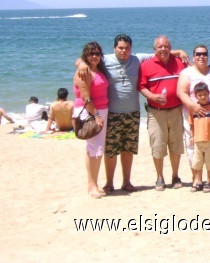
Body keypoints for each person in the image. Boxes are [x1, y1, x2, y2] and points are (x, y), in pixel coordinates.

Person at [77, 34, 188, 194]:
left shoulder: (137, 59)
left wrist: (179, 51)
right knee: (111, 150)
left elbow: (161, 52)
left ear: (131, 49)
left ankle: (127, 182)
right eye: (120, 48)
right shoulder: (105, 60)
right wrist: (81, 64)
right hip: (113, 113)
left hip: (133, 113)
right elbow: (87, 59)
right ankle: (109, 183)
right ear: (114, 48)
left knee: (128, 149)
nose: (124, 51)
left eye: (127, 48)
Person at [138, 35, 186, 191]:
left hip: (176, 110)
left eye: (166, 46)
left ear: (170, 48)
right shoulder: (146, 65)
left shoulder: (179, 62)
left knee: (176, 144)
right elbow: (141, 86)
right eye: (160, 47)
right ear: (154, 49)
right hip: (155, 112)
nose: (163, 49)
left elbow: (192, 76)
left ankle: (175, 176)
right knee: (157, 145)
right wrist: (152, 96)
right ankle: (159, 177)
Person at [177, 44, 210, 188]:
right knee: (193, 146)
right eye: (198, 54)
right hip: (193, 117)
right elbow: (181, 92)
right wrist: (194, 106)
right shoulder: (186, 73)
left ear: (208, 56)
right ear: (193, 57)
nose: (201, 57)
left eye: (204, 54)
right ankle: (197, 179)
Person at [73, 42, 109, 199]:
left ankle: (93, 183)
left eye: (97, 53)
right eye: (91, 54)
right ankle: (92, 185)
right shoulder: (85, 72)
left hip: (101, 110)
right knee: (95, 149)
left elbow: (77, 60)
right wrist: (96, 115)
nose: (94, 56)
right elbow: (86, 97)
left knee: (94, 149)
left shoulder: (97, 69)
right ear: (85, 55)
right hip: (91, 112)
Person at [188, 82, 210, 193]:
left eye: (205, 94)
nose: (203, 97)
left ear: (208, 94)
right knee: (197, 162)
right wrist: (191, 136)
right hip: (197, 140)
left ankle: (209, 182)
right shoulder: (193, 109)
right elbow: (191, 124)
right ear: (196, 95)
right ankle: (198, 182)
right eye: (200, 95)